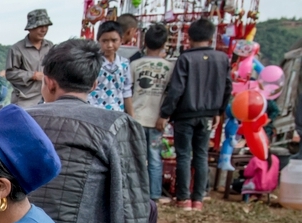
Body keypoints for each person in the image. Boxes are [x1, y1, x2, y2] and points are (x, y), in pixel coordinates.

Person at [27, 39, 150, 223]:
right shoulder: (117, 126)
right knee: (149, 209)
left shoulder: (17, 119)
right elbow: (133, 214)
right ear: (94, 84)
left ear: (48, 82)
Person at [157, 18, 232, 211]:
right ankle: (198, 199)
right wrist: (219, 111)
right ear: (211, 37)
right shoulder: (222, 58)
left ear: (189, 37)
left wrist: (165, 113)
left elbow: (176, 89)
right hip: (208, 115)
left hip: (185, 114)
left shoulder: (186, 58)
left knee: (183, 155)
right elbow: (227, 88)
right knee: (201, 155)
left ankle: (183, 199)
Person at [130, 23, 173, 201]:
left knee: (135, 160)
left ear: (144, 42)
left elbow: (128, 92)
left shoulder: (134, 65)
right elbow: (171, 94)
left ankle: (135, 194)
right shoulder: (169, 67)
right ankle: (154, 195)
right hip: (157, 120)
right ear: (164, 44)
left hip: (136, 118)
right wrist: (165, 116)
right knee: (155, 158)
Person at [6, 10, 54, 108]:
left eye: (46, 26)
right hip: (25, 101)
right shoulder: (17, 49)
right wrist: (33, 75)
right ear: (30, 28)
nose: (44, 30)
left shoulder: (50, 46)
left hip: (48, 99)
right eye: (40, 26)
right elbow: (10, 74)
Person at [89, 21, 133, 114]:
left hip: (116, 113)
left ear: (121, 40)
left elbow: (126, 91)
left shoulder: (124, 64)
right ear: (98, 41)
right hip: (94, 112)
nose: (109, 45)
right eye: (104, 41)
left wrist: (131, 115)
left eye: (114, 40)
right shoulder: (92, 62)